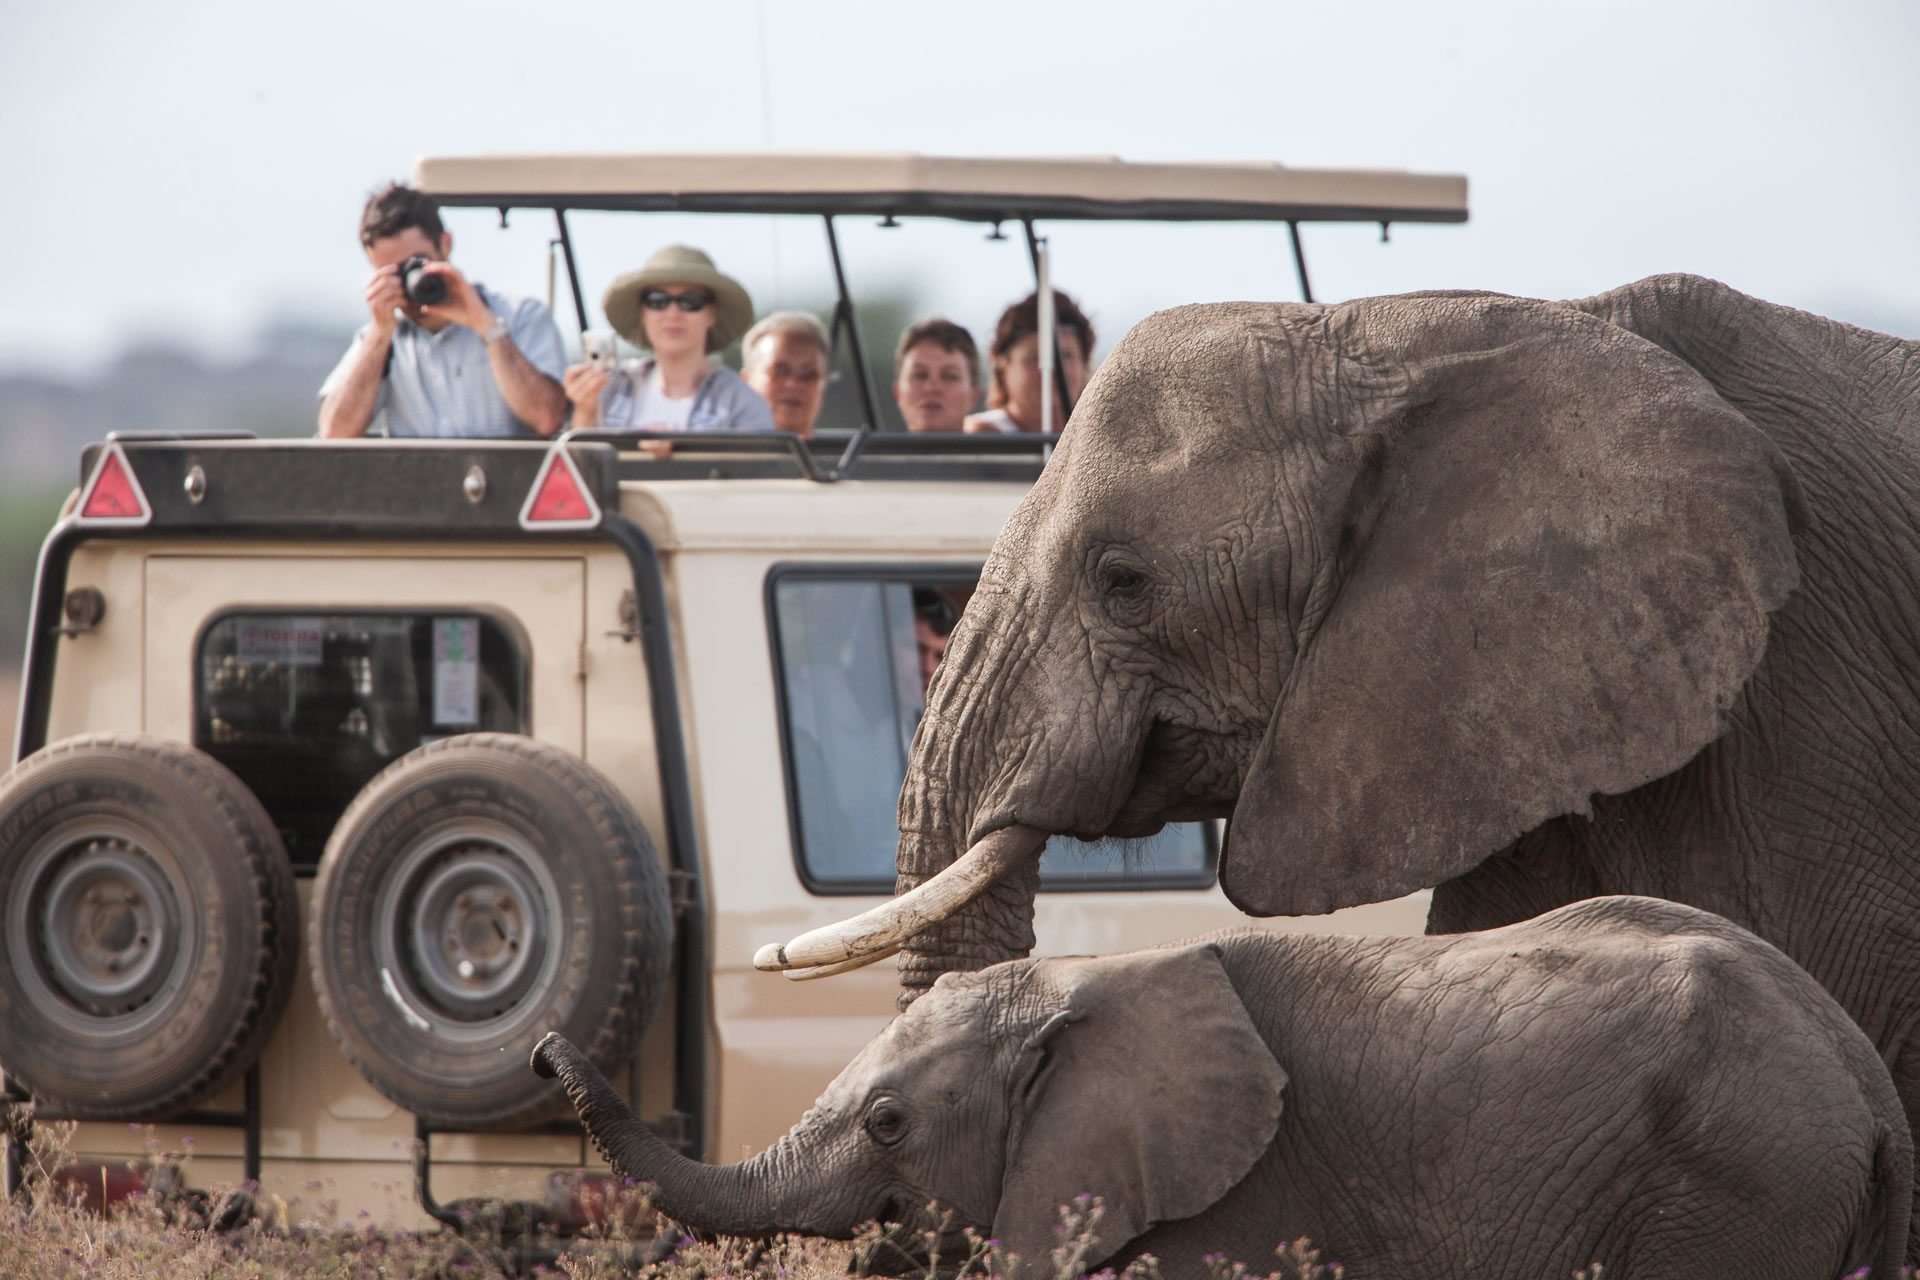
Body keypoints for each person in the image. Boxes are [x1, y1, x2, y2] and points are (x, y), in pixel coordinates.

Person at [319, 184, 568, 439]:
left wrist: (486, 326)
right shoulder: (379, 339)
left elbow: (547, 419)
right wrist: (379, 337)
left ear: (445, 244)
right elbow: (334, 435)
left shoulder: (520, 316)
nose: (409, 282)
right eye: (393, 273)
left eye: (416, 264)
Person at [563, 245, 772, 433]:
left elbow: (759, 472)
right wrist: (585, 410)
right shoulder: (608, 389)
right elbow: (578, 469)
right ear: (642, 313)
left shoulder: (743, 401)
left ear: (712, 314)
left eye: (691, 301)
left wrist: (671, 459)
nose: (673, 314)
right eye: (657, 301)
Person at [963, 290, 1094, 435]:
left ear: (1084, 364)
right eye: (1035, 358)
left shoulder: (1101, 437)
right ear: (1003, 368)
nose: (1051, 369)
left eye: (1066, 356)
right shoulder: (978, 438)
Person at [742, 312, 833, 439]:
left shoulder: (855, 456)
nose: (794, 384)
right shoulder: (714, 455)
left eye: (809, 374)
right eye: (780, 371)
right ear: (745, 382)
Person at [892, 319, 979, 433]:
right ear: (898, 392)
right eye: (920, 375)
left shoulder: (1001, 451)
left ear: (973, 396)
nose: (932, 388)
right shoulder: (864, 449)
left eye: (949, 376)